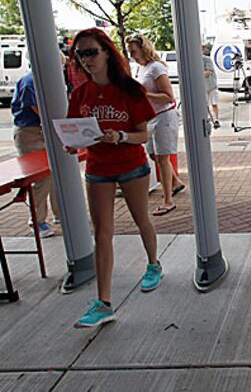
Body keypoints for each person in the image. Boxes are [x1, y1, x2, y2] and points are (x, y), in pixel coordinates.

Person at [66, 28, 162, 328]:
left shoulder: (130, 90)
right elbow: (74, 129)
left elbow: (143, 135)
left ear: (107, 52)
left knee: (140, 219)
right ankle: (104, 302)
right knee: (102, 232)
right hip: (97, 168)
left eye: (91, 52)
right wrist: (73, 143)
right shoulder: (80, 94)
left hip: (131, 164)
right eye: (80, 54)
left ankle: (153, 263)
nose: (86, 60)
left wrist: (119, 135)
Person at [126, 34, 185, 216]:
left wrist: (144, 94)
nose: (132, 55)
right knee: (154, 155)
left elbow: (168, 96)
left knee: (162, 157)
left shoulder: (156, 68)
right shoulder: (140, 68)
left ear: (143, 49)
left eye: (133, 51)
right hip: (151, 117)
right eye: (130, 52)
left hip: (164, 116)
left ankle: (168, 200)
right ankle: (175, 182)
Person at [11, 71, 59, 238]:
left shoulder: (41, 80)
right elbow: (40, 110)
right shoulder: (31, 82)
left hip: (41, 131)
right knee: (41, 178)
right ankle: (37, 221)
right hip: (31, 133)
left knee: (54, 175)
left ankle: (60, 214)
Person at [202, 50, 221, 129]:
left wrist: (197, 74)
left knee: (214, 103)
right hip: (203, 87)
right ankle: (208, 118)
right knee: (205, 105)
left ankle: (216, 120)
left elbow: (209, 71)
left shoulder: (207, 59)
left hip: (212, 85)